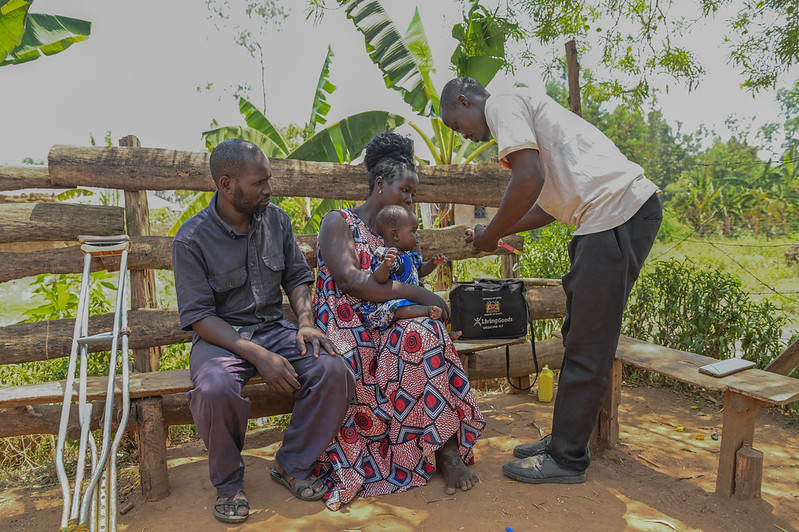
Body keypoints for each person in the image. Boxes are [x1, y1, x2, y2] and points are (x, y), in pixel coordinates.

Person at [439, 77, 662, 484]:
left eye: (457, 124)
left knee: (589, 344)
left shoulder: (501, 104)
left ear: (465, 101)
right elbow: (544, 205)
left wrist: (490, 237)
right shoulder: (521, 110)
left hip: (614, 216)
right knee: (577, 337)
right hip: (601, 221)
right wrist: (497, 233)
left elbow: (528, 180)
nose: (466, 136)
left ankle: (568, 459)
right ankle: (563, 440)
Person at [172, 139, 355, 523]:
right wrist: (258, 356)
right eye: (259, 182)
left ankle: (293, 465)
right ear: (226, 184)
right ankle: (229, 485)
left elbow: (297, 278)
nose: (269, 190)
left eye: (268, 180)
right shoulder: (191, 239)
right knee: (213, 388)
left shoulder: (276, 220)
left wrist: (305, 322)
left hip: (275, 329)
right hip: (219, 339)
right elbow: (200, 316)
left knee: (331, 370)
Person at [313, 131, 485, 511]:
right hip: (347, 326)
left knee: (421, 333)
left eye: (413, 193)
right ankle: (420, 449)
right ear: (379, 184)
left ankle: (446, 450)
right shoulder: (338, 222)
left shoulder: (401, 234)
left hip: (392, 324)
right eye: (405, 190)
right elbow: (349, 281)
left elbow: (411, 287)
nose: (410, 198)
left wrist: (423, 305)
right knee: (411, 334)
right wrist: (424, 296)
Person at [363, 204, 449, 327]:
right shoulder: (385, 254)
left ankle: (443, 334)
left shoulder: (410, 256)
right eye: (413, 231)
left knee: (434, 306)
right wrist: (385, 266)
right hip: (388, 305)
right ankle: (426, 311)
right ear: (395, 235)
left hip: (411, 302)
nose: (417, 235)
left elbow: (420, 271)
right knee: (399, 307)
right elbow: (378, 279)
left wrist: (432, 263)